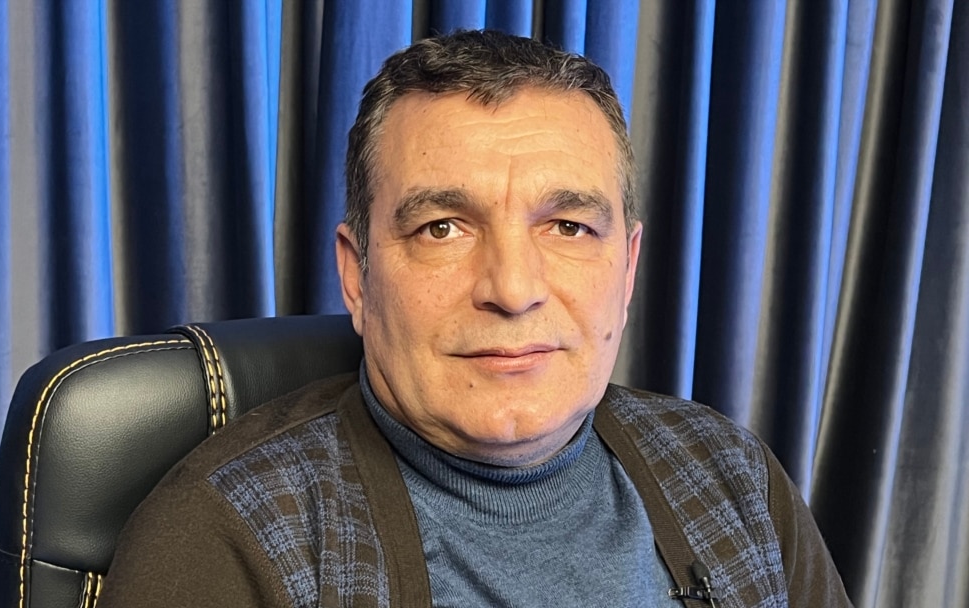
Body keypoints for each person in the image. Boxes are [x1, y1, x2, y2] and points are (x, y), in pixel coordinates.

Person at [102, 30, 851, 607]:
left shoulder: (733, 476)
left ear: (626, 270)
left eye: (567, 227)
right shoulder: (225, 540)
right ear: (357, 275)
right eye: (443, 228)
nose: (513, 289)